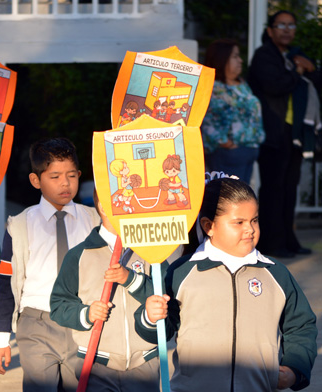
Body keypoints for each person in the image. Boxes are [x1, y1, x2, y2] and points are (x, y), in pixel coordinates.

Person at [135, 177, 318, 391]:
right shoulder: (182, 272)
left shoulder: (275, 273)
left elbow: (301, 325)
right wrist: (150, 316)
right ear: (208, 226)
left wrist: (295, 368)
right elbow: (161, 331)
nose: (250, 229)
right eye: (239, 222)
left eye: (254, 220)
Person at [0, 138, 100, 392]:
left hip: (82, 322)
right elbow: (6, 284)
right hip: (36, 322)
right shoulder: (18, 226)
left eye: (71, 175)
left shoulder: (94, 220)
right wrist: (0, 339)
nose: (65, 183)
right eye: (55, 176)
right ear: (35, 180)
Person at [50, 190, 160, 391]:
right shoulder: (79, 255)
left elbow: (163, 298)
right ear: (102, 207)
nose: (130, 206)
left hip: (144, 364)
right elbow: (58, 305)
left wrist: (130, 280)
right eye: (124, 201)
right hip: (97, 364)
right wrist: (87, 313)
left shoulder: (151, 251)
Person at [248, 10, 317, 257]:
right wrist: (298, 72)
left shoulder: (295, 55)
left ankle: (289, 241)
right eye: (281, 25)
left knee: (290, 189)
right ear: (270, 31)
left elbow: (316, 78)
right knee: (273, 189)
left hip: (294, 133)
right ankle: (272, 244)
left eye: (291, 25)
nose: (287, 29)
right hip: (272, 133)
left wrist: (306, 69)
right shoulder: (264, 56)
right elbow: (275, 86)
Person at [202, 39, 265, 184]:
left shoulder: (242, 85)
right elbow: (207, 120)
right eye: (235, 56)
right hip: (227, 153)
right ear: (221, 59)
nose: (240, 60)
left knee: (243, 199)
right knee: (228, 201)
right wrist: (225, 143)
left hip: (249, 151)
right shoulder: (212, 88)